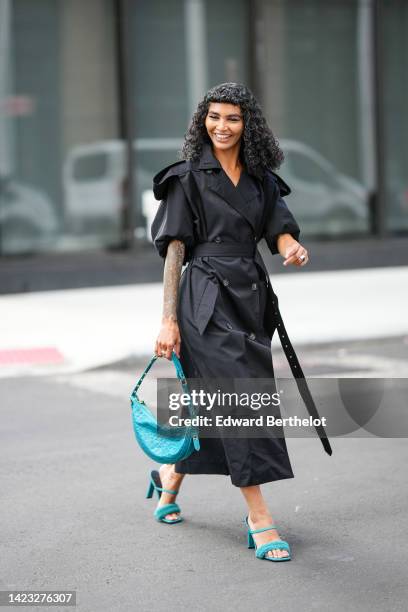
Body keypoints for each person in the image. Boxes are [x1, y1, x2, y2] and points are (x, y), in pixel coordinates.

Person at [149, 82, 331, 562]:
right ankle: (259, 517)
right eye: (213, 117)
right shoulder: (186, 177)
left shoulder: (261, 178)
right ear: (201, 121)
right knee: (241, 399)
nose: (221, 127)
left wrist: (291, 247)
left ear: (247, 124)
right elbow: (175, 251)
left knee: (215, 400)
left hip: (249, 298)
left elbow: (279, 227)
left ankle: (169, 482)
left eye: (232, 118)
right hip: (203, 299)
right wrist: (168, 320)